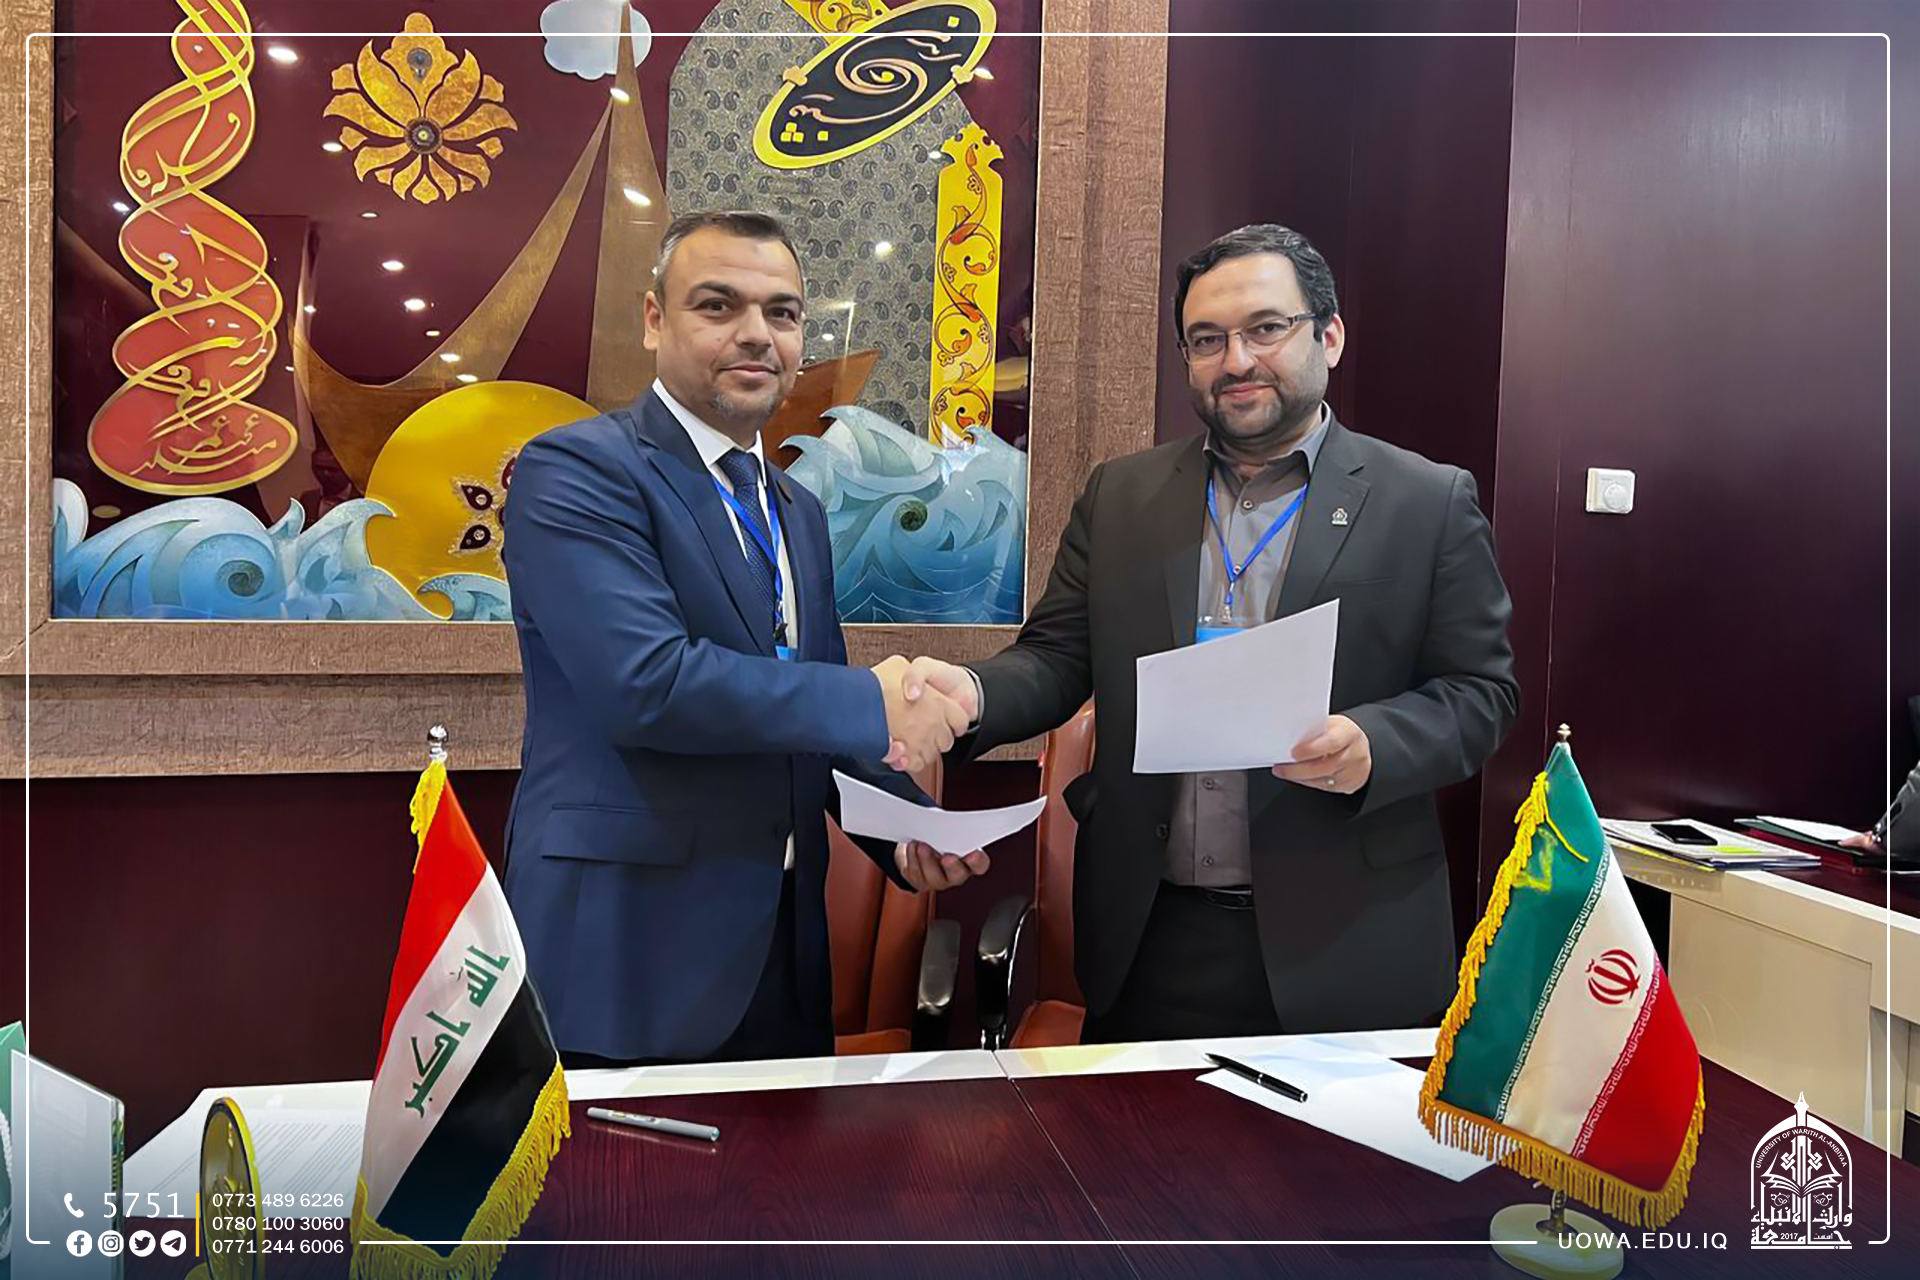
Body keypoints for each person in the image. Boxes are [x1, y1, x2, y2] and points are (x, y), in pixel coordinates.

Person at [905, 223, 1520, 1042]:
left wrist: (1377, 742)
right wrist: (972, 694)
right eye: (1207, 339)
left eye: (1266, 328)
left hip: (1347, 936)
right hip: (1151, 936)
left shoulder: (1426, 502)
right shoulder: (1123, 497)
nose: (1236, 360)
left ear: (1329, 336)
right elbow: (1056, 658)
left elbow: (1482, 693)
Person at [501, 210, 987, 1067]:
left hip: (782, 951)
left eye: (783, 313)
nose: (757, 334)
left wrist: (904, 831)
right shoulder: (576, 470)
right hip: (629, 946)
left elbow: (808, 720)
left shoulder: (796, 509)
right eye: (718, 305)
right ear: (654, 319)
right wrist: (873, 700)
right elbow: (648, 683)